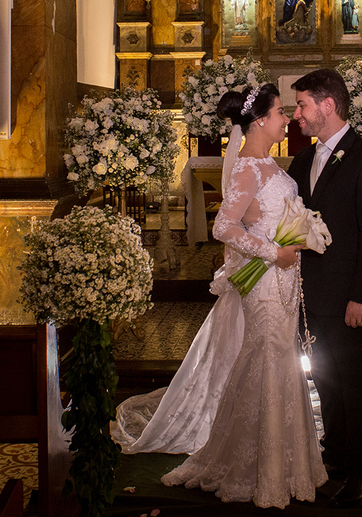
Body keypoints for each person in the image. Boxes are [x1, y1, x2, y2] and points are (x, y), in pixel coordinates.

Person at [116, 83, 327, 509]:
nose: (287, 119)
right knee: (265, 360)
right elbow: (223, 227)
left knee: (282, 362)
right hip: (266, 282)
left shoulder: (268, 163)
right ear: (260, 121)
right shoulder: (248, 167)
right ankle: (255, 469)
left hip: (284, 279)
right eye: (279, 112)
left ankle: (286, 463)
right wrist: (273, 251)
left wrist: (296, 236)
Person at [287, 68, 362, 506]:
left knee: (355, 386)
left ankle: (361, 473)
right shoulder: (301, 160)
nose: (297, 114)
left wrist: (361, 297)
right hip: (311, 297)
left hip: (350, 299)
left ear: (327, 105)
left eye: (302, 105)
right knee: (326, 383)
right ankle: (333, 458)